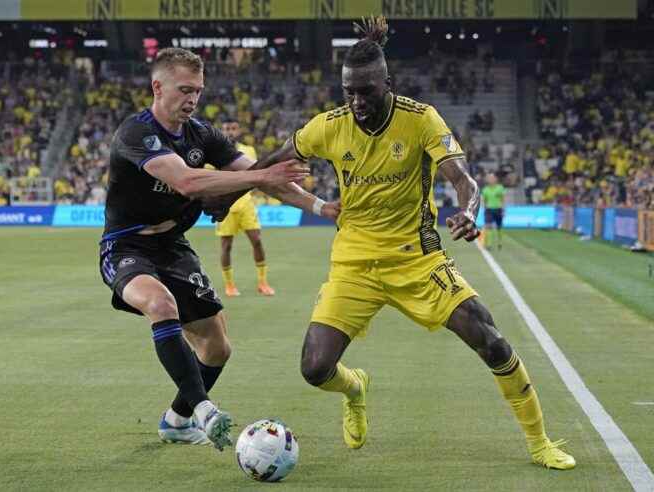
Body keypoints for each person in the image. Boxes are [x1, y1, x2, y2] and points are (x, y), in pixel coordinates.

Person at [240, 16, 575, 469]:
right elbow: (271, 165)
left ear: (388, 84)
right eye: (349, 92)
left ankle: (540, 443)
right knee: (314, 369)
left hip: (416, 260)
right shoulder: (327, 126)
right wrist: (234, 188)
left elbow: (462, 178)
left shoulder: (420, 120)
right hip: (354, 265)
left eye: (366, 91)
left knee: (488, 337)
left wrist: (469, 211)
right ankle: (355, 387)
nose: (357, 101)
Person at [98, 48, 337, 451]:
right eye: (184, 90)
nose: (192, 99)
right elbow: (188, 182)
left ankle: (176, 421)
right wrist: (263, 173)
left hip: (172, 246)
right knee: (160, 305)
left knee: (216, 347)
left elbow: (263, 179)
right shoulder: (135, 133)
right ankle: (204, 410)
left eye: (198, 91)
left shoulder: (203, 134)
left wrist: (320, 207)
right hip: (126, 245)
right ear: (158, 87)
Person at [215, 118, 275, 297]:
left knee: (257, 240)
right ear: (221, 130)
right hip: (225, 205)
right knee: (226, 246)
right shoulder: (213, 151)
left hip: (246, 203)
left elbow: (254, 175)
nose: (230, 131)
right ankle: (229, 285)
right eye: (226, 128)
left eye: (233, 128)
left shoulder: (248, 150)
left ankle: (263, 282)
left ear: (238, 130)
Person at [481, 173, 505, 249]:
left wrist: (503, 209)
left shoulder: (500, 188)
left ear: (496, 179)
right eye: (489, 178)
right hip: (489, 210)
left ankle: (500, 242)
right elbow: (484, 200)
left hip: (498, 209)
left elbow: (502, 199)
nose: (491, 180)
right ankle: (489, 244)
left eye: (492, 178)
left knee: (499, 227)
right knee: (488, 226)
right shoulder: (485, 189)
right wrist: (485, 208)